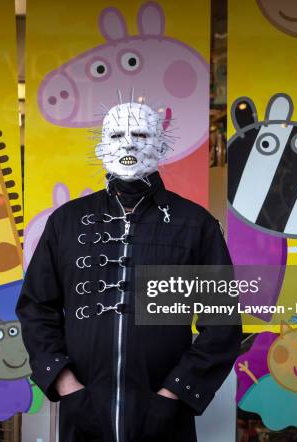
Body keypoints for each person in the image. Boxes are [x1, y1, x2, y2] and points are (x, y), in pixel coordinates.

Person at [16, 101, 242, 441]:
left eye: (140, 133)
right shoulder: (66, 223)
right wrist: (66, 384)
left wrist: (176, 393)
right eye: (117, 134)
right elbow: (37, 307)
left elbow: (221, 322)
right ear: (101, 147)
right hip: (84, 408)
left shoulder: (195, 225)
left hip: (165, 412)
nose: (129, 143)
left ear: (161, 147)